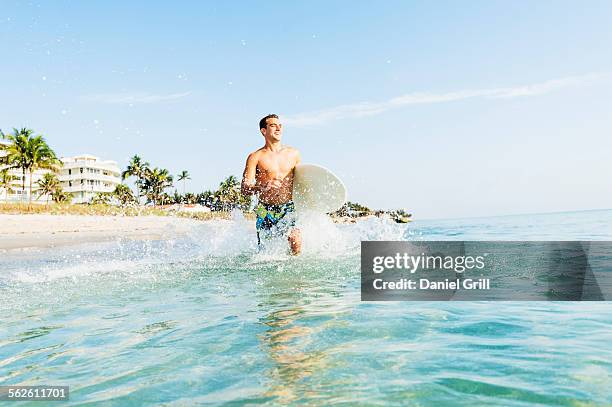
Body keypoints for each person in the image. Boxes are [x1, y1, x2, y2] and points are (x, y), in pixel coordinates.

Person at [241, 114, 302, 254]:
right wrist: (262, 187)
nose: (278, 128)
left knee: (295, 239)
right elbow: (245, 188)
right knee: (265, 252)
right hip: (265, 209)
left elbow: (302, 181)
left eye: (280, 125)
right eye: (273, 125)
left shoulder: (293, 154)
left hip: (288, 207)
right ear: (263, 131)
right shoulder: (255, 157)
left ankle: (294, 271)